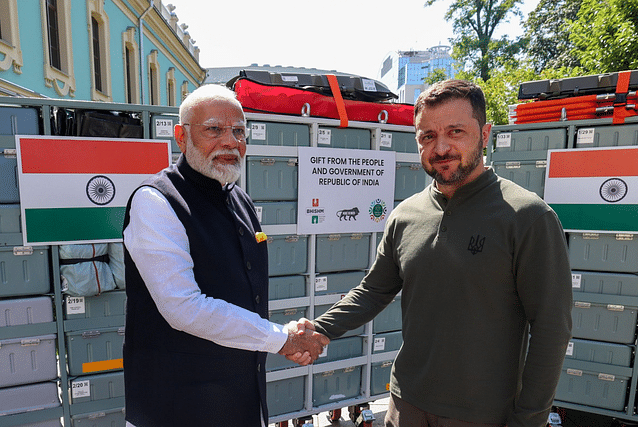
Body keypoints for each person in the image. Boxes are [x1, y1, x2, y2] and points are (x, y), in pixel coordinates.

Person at [307, 80, 573, 427]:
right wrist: (318, 330)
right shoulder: (406, 215)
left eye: (455, 131)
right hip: (405, 406)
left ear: (485, 134)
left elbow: (552, 328)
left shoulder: (528, 217)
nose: (441, 147)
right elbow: (373, 290)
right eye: (427, 136)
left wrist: (528, 419)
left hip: (483, 415)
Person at [122, 84, 329, 427]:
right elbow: (184, 308)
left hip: (240, 402)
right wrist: (283, 339)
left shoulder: (239, 199)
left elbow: (238, 293)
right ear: (181, 136)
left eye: (238, 131)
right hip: (174, 409)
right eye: (214, 129)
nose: (231, 142)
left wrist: (284, 333)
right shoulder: (156, 202)